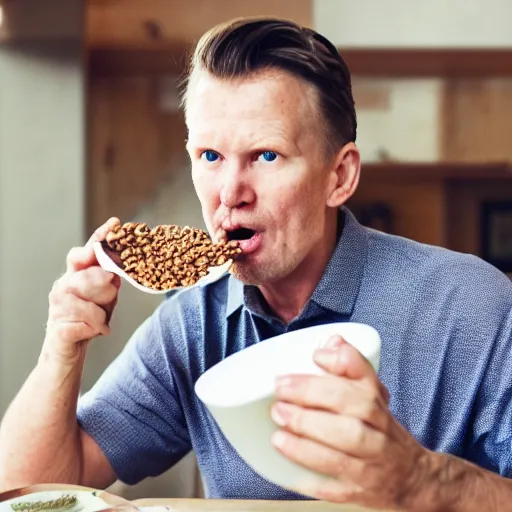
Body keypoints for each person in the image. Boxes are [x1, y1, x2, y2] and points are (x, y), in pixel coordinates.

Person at [1, 16, 512, 510]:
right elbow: (27, 491)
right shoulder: (192, 324)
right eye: (209, 156)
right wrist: (62, 348)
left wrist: (427, 482)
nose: (230, 194)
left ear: (340, 176)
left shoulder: (472, 306)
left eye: (266, 155)